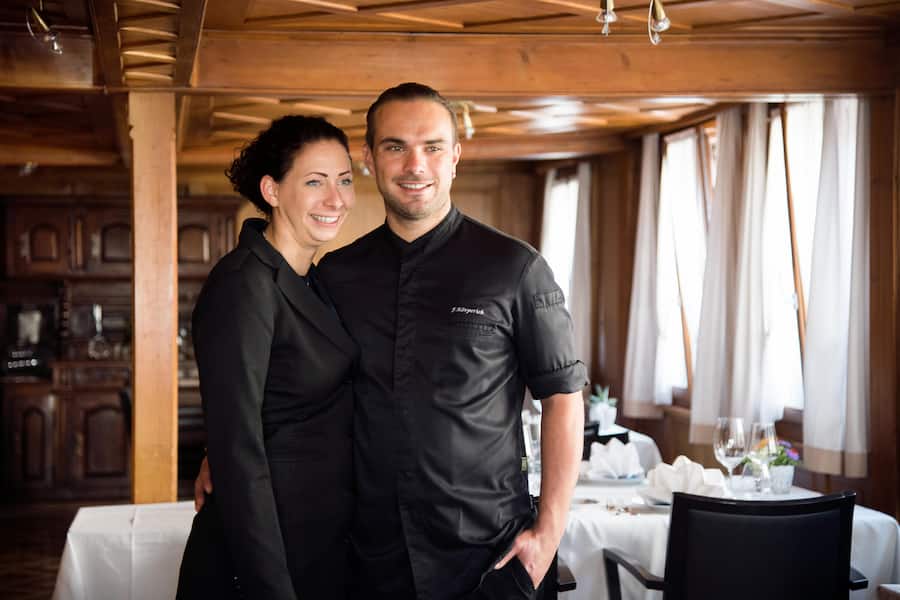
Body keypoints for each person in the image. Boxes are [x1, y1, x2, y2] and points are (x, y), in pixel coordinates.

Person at [196, 83, 586, 600]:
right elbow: (279, 372)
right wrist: (220, 447)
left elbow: (563, 398)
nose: (414, 165)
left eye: (432, 147)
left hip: (489, 556)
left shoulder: (516, 268)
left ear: (455, 158)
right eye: (395, 147)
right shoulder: (334, 273)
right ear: (371, 159)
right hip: (368, 559)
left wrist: (547, 534)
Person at [177, 115, 358, 600]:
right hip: (265, 552)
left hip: (319, 537)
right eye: (314, 182)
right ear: (272, 191)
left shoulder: (313, 279)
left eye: (344, 180)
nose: (336, 199)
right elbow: (239, 454)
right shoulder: (244, 284)